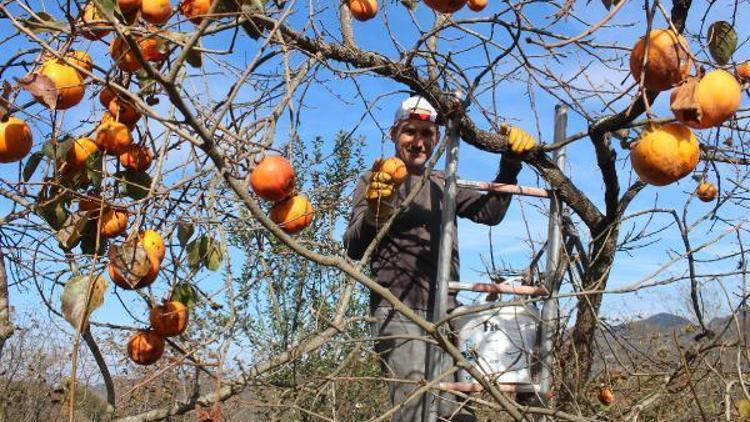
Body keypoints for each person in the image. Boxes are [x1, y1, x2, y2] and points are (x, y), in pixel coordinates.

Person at [343, 95, 536, 421]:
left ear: (437, 139)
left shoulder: (444, 183)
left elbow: (490, 212)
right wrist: (375, 214)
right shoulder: (376, 180)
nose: (418, 142)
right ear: (394, 135)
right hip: (400, 311)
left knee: (459, 412)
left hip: (447, 315)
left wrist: (510, 163)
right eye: (410, 132)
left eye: (427, 134)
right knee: (417, 409)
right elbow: (352, 246)